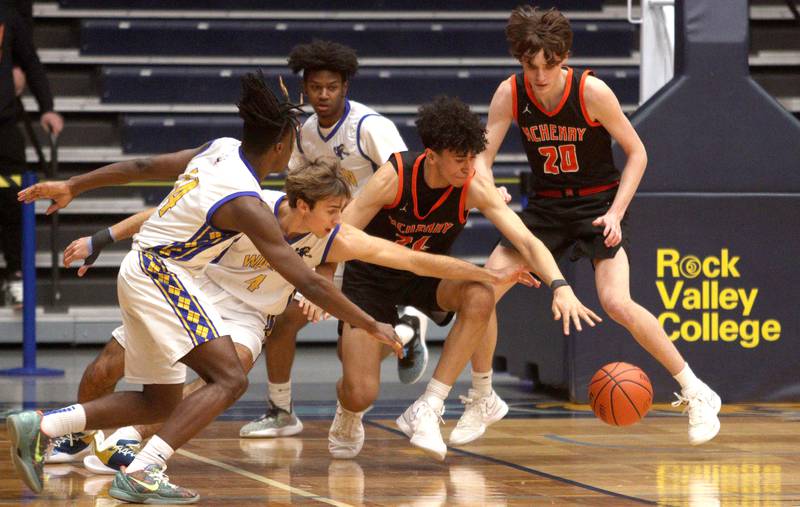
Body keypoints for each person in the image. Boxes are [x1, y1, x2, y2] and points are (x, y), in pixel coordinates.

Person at [8, 72, 404, 504]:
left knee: (159, 402)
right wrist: (371, 324)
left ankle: (44, 426)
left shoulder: (220, 148)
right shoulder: (246, 201)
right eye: (291, 142)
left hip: (147, 269)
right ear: (279, 146)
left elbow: (143, 168)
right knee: (230, 378)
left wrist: (74, 185)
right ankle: (144, 470)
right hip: (161, 273)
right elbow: (306, 278)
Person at [46, 158, 529, 474]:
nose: (341, 219)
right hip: (196, 288)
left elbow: (413, 261)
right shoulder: (246, 208)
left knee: (220, 376)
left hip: (250, 315)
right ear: (301, 204)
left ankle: (133, 447)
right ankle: (75, 435)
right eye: (333, 209)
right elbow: (162, 212)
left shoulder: (334, 235)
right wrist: (101, 240)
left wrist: (484, 275)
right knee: (112, 361)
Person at [462, 5, 721, 447]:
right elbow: (482, 156)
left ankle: (697, 391)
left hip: (597, 206)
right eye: (531, 65)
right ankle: (483, 396)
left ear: (564, 57)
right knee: (483, 289)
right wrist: (489, 187)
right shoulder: (510, 93)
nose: (540, 75)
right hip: (545, 209)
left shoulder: (591, 91)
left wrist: (618, 212)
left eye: (550, 64)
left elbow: (637, 153)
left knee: (616, 302)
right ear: (519, 60)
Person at [329, 95, 600, 462]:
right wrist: (322, 279)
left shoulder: (472, 184)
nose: (469, 166)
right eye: (460, 159)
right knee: (360, 392)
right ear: (432, 154)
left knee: (481, 293)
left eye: (473, 157)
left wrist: (560, 285)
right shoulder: (394, 176)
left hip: (427, 273)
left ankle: (430, 404)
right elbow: (339, 233)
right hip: (371, 278)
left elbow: (525, 239)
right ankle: (349, 408)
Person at [239, 39, 423, 441]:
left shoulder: (370, 127)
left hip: (370, 243)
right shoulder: (304, 133)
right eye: (316, 87)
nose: (323, 95)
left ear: (346, 88)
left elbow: (408, 176)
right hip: (328, 239)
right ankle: (281, 409)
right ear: (305, 89)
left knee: (344, 349)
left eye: (332, 87)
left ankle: (403, 328)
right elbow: (297, 193)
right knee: (284, 323)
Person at [0, 4, 63, 307]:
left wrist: (47, 108)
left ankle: (14, 275)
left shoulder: (7, 14)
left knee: (14, 202)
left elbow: (31, 62)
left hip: (4, 124)